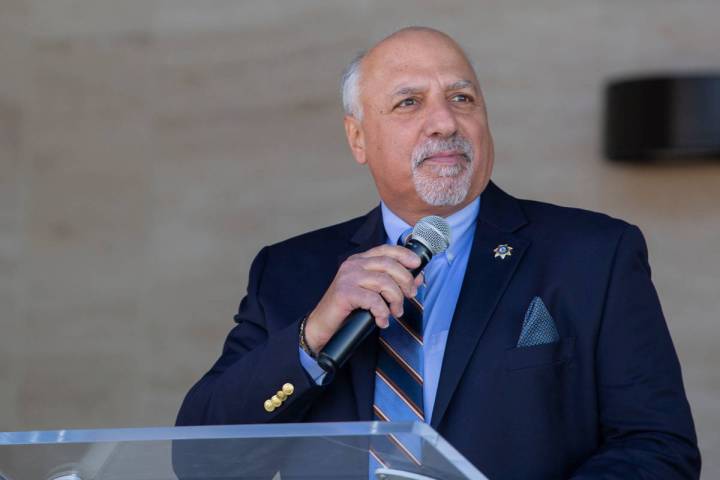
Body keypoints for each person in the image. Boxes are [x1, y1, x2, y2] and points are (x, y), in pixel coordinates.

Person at [176, 27, 700, 478]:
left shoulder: (593, 255)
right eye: (409, 102)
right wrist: (311, 337)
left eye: (462, 98)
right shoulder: (289, 273)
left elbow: (658, 447)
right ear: (358, 139)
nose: (445, 122)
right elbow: (200, 463)